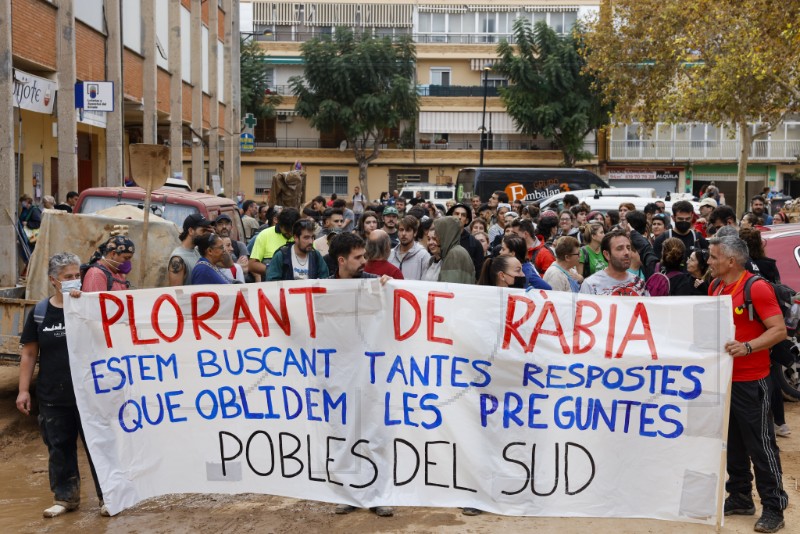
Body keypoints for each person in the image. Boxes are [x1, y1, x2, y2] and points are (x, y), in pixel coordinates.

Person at [17, 252, 107, 518]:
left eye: (77, 276)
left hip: (90, 395)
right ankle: (65, 498)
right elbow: (30, 353)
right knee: (59, 447)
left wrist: (83, 307)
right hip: (53, 396)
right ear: (54, 280)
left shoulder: (89, 307)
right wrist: (23, 390)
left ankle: (108, 496)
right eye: (68, 277)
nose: (74, 281)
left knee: (99, 447)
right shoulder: (40, 313)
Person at [708, 236, 788, 533]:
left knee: (761, 445)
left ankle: (774, 506)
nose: (709, 261)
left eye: (714, 257)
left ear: (731, 261)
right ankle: (740, 496)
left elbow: (779, 330)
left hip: (752, 381)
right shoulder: (716, 286)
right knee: (732, 444)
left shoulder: (756, 288)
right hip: (724, 380)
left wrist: (749, 346)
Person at [579, 230, 646, 296]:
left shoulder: (639, 283)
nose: (626, 252)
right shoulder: (591, 285)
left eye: (628, 248)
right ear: (607, 254)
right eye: (620, 248)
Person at [249, 208, 301, 280]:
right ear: (278, 223)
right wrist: (273, 270)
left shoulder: (302, 236)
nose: (290, 234)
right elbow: (252, 265)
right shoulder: (264, 235)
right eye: (286, 230)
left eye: (292, 231)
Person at [169, 214, 212, 286]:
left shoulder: (197, 251)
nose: (205, 234)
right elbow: (176, 292)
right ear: (191, 231)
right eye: (203, 230)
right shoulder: (177, 259)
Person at [447, 203, 487, 279]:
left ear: (467, 220)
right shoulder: (441, 238)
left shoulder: (474, 244)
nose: (459, 217)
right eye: (456, 214)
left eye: (463, 215)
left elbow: (478, 273)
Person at [435, 216, 475, 284]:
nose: (435, 236)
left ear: (445, 233)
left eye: (438, 232)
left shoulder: (454, 254)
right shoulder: (456, 252)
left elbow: (448, 287)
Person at [388, 216, 430, 280]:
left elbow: (426, 282)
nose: (404, 234)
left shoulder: (423, 255)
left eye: (408, 230)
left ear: (415, 233)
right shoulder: (390, 254)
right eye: (401, 230)